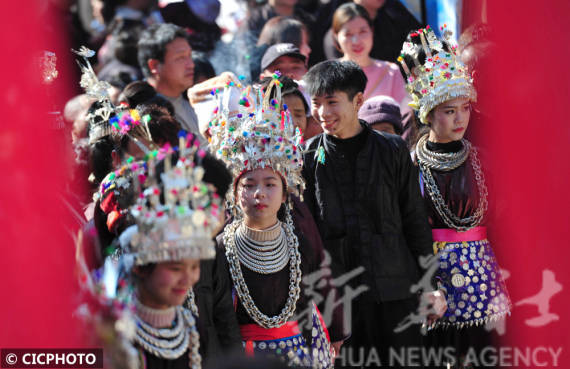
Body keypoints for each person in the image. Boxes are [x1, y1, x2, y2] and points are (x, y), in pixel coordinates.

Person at [302, 60, 446, 367]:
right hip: (340, 304)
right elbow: (310, 236)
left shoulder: (393, 150)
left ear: (357, 101)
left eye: (332, 102)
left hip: (396, 292)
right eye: (316, 104)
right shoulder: (310, 158)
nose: (323, 113)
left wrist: (429, 285)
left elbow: (414, 221)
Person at [207, 77, 345, 367]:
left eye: (270, 184)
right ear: (234, 193)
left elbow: (315, 293)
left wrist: (332, 333)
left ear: (285, 196)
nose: (259, 193)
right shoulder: (220, 248)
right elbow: (220, 315)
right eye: (248, 185)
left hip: (298, 353)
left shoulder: (298, 241)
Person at [399, 26, 511, 367]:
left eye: (464, 108)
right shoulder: (412, 164)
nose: (460, 117)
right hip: (433, 274)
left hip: (483, 273)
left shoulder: (482, 159)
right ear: (429, 113)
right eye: (449, 111)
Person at [113, 134, 224, 369]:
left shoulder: (192, 329)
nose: (188, 279)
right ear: (141, 266)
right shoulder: (112, 335)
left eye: (194, 267)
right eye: (175, 268)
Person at [332, 3, 410, 108]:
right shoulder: (328, 73)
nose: (356, 41)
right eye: (348, 34)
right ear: (336, 36)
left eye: (362, 31)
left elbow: (404, 116)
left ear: (371, 31)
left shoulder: (390, 72)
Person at [137, 23, 204, 143]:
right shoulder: (145, 120)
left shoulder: (191, 98)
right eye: (180, 58)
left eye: (189, 56)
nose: (191, 64)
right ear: (154, 66)